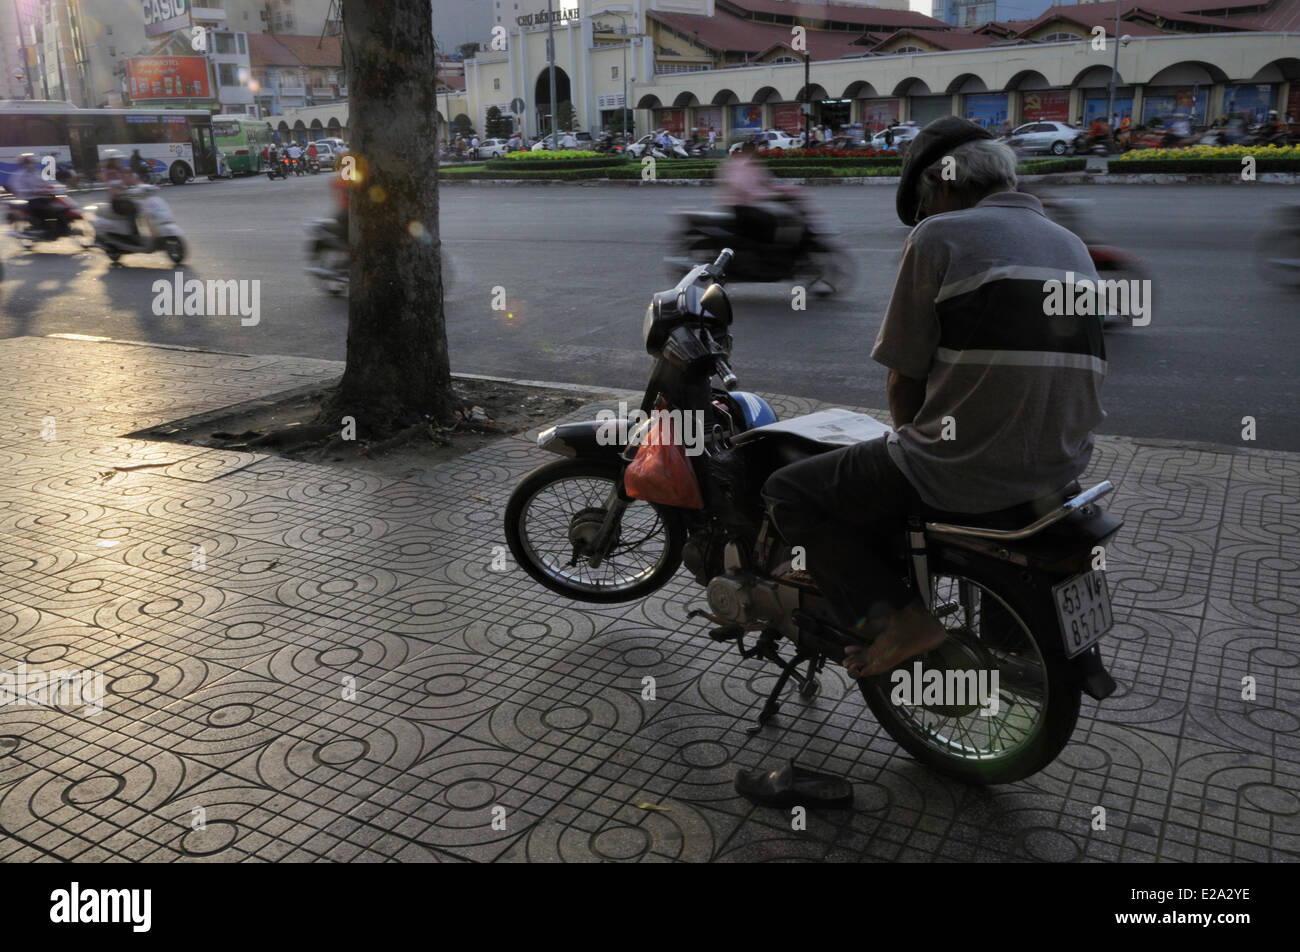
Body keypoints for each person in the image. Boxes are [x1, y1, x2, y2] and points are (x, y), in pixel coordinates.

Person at [762, 117, 1106, 679]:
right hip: (1061, 468)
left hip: (968, 470)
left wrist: (911, 448)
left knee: (790, 491)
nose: (923, 219)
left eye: (924, 207)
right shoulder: (1072, 246)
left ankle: (902, 619)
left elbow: (903, 378)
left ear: (942, 188)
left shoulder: (940, 236)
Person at [10, 154, 60, 237]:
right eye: (28, 162)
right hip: (28, 199)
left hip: (42, 196)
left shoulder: (37, 173)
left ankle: (57, 226)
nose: (31, 164)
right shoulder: (18, 176)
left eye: (32, 162)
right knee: (41, 208)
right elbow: (19, 189)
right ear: (23, 164)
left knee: (57, 207)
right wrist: (34, 191)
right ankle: (40, 228)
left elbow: (48, 182)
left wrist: (57, 186)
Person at [102, 156, 141, 235]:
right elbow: (112, 187)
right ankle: (134, 234)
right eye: (117, 160)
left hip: (124, 198)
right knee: (132, 209)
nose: (119, 161)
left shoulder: (120, 171)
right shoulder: (109, 173)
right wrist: (121, 192)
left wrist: (143, 186)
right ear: (112, 161)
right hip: (117, 202)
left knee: (141, 205)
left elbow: (130, 181)